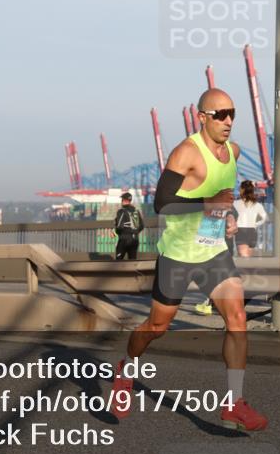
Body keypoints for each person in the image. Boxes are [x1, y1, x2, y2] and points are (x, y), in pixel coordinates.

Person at [111, 88, 267, 431]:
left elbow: (223, 199)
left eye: (232, 114)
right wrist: (208, 203)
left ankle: (233, 403)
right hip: (179, 254)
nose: (228, 121)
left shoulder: (234, 152)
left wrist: (225, 218)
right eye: (220, 114)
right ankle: (127, 368)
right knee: (157, 327)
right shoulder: (186, 153)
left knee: (238, 317)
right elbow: (162, 204)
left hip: (213, 250)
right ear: (202, 117)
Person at [233, 180, 267, 257]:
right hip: (252, 231)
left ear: (242, 190)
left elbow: (228, 215)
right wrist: (255, 224)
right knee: (248, 259)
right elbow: (264, 218)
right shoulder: (257, 205)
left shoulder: (235, 203)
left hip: (241, 231)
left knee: (243, 258)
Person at [113, 192, 144, 261]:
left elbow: (119, 226)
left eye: (122, 200)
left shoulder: (121, 211)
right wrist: (135, 232)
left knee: (118, 261)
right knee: (132, 261)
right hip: (135, 240)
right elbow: (142, 226)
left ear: (124, 200)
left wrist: (116, 232)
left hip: (124, 239)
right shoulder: (136, 211)